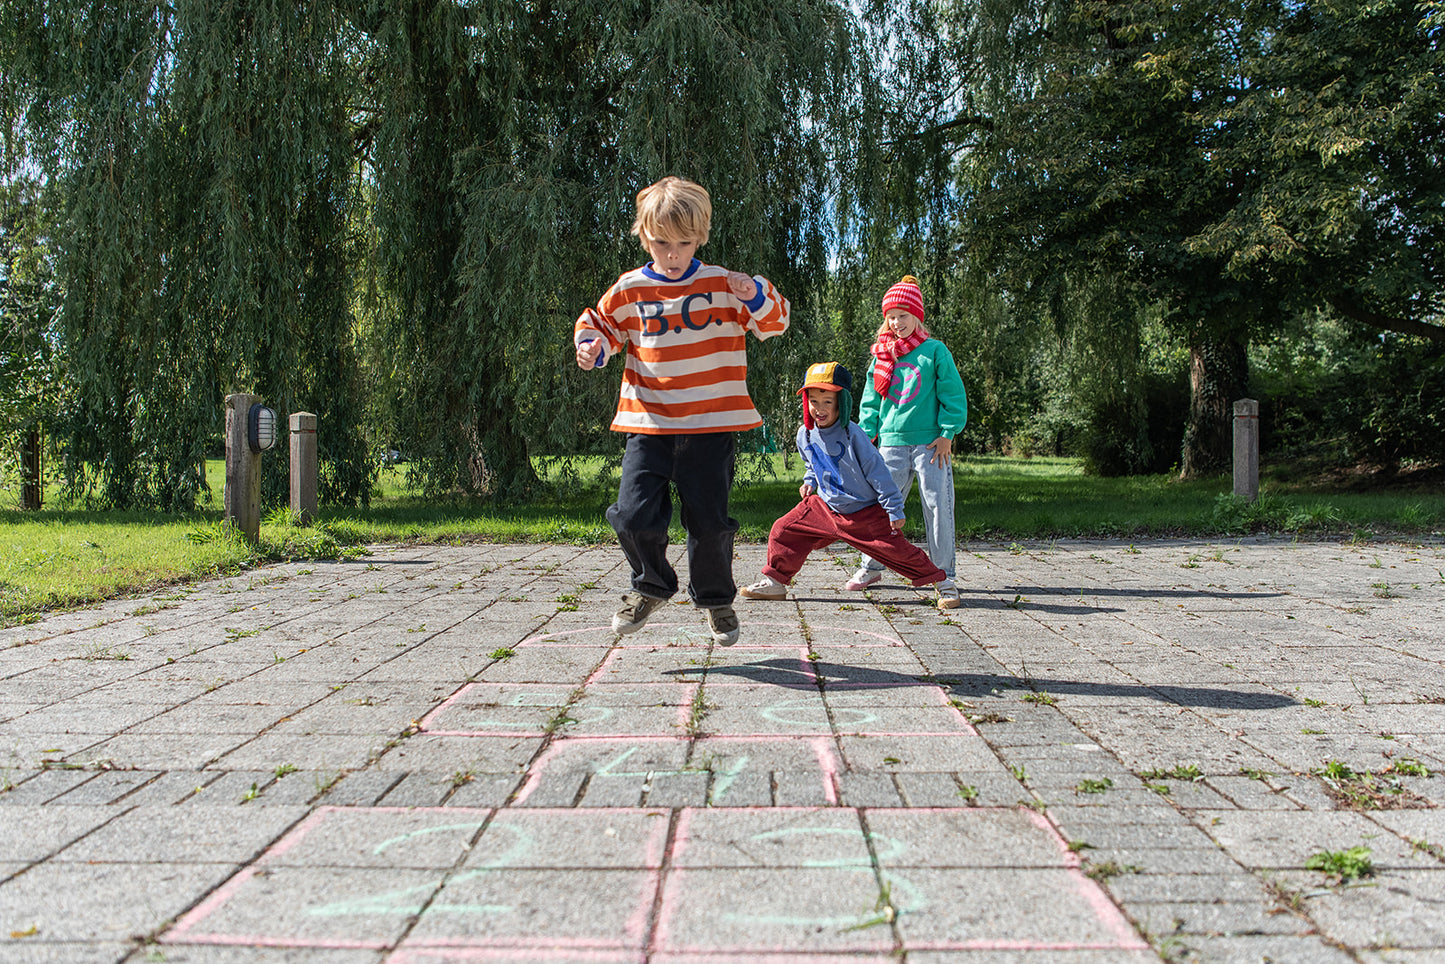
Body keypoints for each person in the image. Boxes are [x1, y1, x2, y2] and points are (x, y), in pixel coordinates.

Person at [574, 176, 790, 646]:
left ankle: (716, 600)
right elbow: (601, 325)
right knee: (631, 517)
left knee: (709, 522)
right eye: (661, 243)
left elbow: (774, 323)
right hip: (648, 427)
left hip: (711, 429)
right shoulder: (631, 289)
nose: (672, 254)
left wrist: (753, 292)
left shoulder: (722, 285)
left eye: (684, 244)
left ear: (702, 237)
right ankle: (651, 585)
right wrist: (592, 346)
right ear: (643, 234)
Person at [739, 362, 951, 607]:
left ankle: (942, 583)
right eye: (814, 401)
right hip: (825, 508)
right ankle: (775, 582)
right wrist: (809, 482)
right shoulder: (804, 434)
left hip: (865, 513)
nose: (820, 408)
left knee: (897, 551)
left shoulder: (853, 434)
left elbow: (878, 472)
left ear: (842, 402)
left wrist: (894, 508)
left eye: (827, 401)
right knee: (783, 530)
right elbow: (812, 464)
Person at [850, 275, 967, 608]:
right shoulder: (882, 356)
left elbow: (952, 395)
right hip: (889, 443)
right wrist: (867, 434)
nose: (897, 322)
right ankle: (871, 567)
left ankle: (944, 575)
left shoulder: (934, 352)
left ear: (917, 316)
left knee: (938, 508)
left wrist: (947, 433)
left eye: (903, 315)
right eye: (891, 316)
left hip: (931, 446)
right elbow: (870, 400)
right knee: (880, 507)